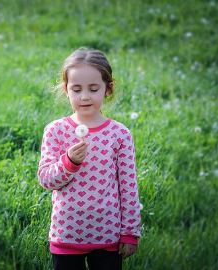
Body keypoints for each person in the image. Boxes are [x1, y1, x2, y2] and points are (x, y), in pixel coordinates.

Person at [37, 48, 141, 270]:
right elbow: (46, 180)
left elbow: (129, 186)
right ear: (66, 90)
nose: (85, 96)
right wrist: (69, 162)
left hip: (108, 235)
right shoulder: (56, 130)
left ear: (107, 89)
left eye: (93, 89)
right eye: (77, 89)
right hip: (67, 233)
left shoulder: (119, 134)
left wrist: (130, 232)